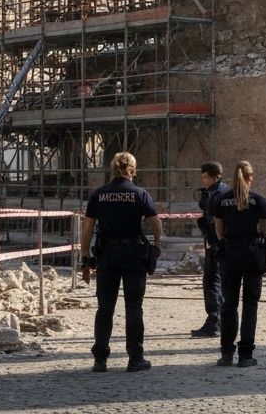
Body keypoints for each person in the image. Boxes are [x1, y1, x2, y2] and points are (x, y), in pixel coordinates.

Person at [79, 151, 162, 373]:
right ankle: (135, 358)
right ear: (132, 170)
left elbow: (87, 227)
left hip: (107, 255)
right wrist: (157, 245)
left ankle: (100, 359)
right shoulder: (140, 194)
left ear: (113, 169)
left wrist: (85, 256)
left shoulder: (99, 194)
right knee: (134, 306)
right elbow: (155, 223)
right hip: (133, 255)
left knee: (105, 307)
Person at [213, 161, 266, 368]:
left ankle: (226, 353)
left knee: (229, 305)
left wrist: (224, 241)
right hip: (252, 255)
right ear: (250, 178)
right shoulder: (258, 200)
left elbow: (219, 230)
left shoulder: (221, 200)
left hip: (230, 255)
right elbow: (265, 231)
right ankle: (246, 355)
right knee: (250, 305)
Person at [192, 162, 229, 338]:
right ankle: (218, 320)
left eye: (206, 177)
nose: (204, 180)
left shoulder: (220, 194)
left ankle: (214, 321)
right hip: (214, 240)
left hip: (217, 242)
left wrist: (216, 241)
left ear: (216, 177)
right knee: (214, 280)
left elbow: (218, 219)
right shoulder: (215, 192)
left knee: (212, 281)